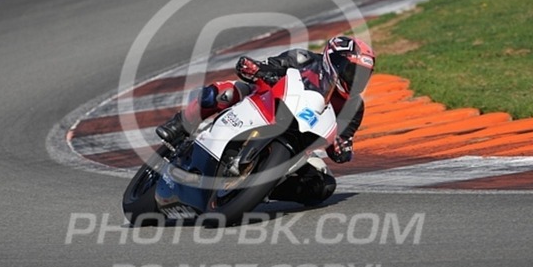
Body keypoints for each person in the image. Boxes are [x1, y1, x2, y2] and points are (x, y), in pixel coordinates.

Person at [156, 36, 375, 205]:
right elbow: (272, 66)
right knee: (226, 93)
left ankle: (261, 190)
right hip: (266, 106)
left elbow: (343, 141)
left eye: (363, 76)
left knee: (323, 185)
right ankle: (181, 124)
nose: (356, 80)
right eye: (352, 72)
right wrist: (256, 69)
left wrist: (341, 149)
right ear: (334, 62)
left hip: (300, 145)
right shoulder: (304, 59)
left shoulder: (354, 107)